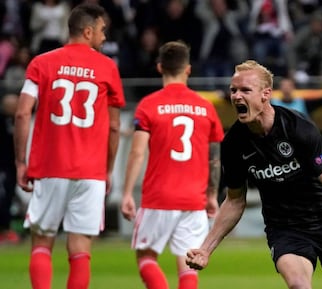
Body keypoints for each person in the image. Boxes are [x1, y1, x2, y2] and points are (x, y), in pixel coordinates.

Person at [186, 60, 322, 289]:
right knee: (298, 286)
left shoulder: (299, 127)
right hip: (286, 229)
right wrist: (205, 249)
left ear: (265, 94)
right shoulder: (233, 144)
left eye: (245, 90)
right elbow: (234, 200)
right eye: (233, 90)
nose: (237, 96)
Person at [14, 3, 125, 289]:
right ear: (87, 31)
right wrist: (108, 170)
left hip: (50, 167)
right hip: (90, 171)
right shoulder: (107, 68)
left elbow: (22, 112)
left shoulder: (41, 63)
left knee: (41, 242)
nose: (104, 37)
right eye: (101, 31)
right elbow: (114, 126)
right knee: (80, 251)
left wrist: (21, 162)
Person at [121, 40, 224, 289]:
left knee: (146, 257)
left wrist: (126, 192)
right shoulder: (205, 107)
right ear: (188, 69)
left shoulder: (149, 104)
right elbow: (215, 158)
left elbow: (137, 152)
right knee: (189, 263)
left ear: (159, 68)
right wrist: (212, 195)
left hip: (159, 196)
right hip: (194, 199)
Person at [0, 93, 20, 245]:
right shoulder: (3, 123)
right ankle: (4, 230)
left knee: (10, 196)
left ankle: (7, 229)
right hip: (3, 167)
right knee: (3, 197)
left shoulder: (19, 121)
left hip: (14, 166)